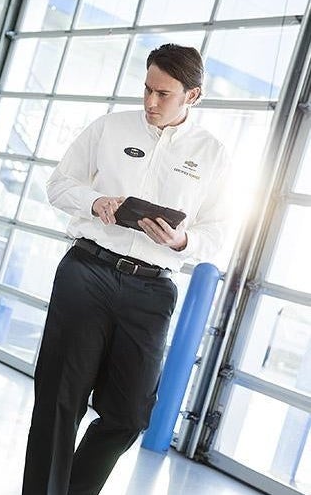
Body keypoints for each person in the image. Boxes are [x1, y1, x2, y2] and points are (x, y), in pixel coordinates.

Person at [22, 43, 231, 495]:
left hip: (152, 289)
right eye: (147, 90)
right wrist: (95, 202)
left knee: (130, 414)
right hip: (87, 272)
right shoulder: (110, 128)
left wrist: (183, 241)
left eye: (164, 95)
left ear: (191, 97)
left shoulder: (212, 155)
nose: (151, 103)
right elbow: (59, 185)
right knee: (60, 400)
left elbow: (218, 233)